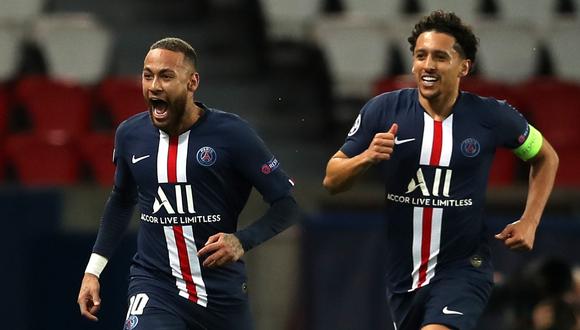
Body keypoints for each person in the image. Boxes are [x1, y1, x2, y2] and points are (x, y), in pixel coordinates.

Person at [323, 10, 559, 330]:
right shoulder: (383, 109)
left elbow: (546, 158)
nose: (428, 65)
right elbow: (332, 180)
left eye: (440, 57)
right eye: (421, 56)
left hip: (464, 268)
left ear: (464, 66)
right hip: (403, 277)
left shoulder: (492, 116)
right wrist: (365, 157)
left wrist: (530, 221)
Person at [77, 37, 299, 330]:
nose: (154, 86)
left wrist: (242, 240)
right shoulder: (130, 134)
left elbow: (287, 205)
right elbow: (121, 199)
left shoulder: (233, 134)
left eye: (166, 76)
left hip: (221, 295)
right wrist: (92, 272)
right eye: (148, 75)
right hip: (155, 286)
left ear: (192, 82)